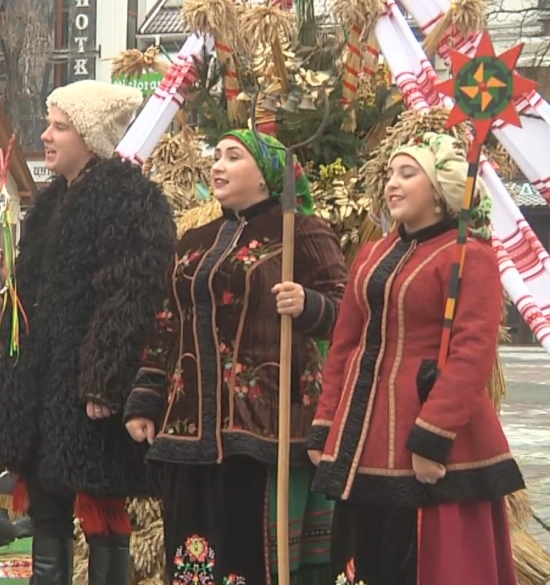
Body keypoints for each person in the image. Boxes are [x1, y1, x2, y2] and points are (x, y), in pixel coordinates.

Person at [0, 79, 175, 585]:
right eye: (49, 124)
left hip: (87, 386)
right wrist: (2, 313)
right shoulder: (48, 205)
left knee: (101, 505)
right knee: (46, 505)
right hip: (40, 385)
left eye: (60, 126)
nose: (47, 135)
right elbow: (36, 296)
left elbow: (131, 297)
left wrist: (105, 380)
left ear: (90, 137)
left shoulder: (131, 201)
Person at [124, 130, 348, 584]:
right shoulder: (195, 240)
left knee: (256, 560)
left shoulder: (301, 230)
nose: (218, 166)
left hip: (267, 427)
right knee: (193, 559)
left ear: (267, 176)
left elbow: (345, 315)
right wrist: (146, 398)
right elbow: (167, 322)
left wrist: (309, 305)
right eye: (216, 156)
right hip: (189, 428)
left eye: (233, 156)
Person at [308, 132, 524, 585]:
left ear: (442, 191)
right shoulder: (370, 256)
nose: (392, 183)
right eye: (390, 173)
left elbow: (473, 353)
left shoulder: (469, 258)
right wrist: (325, 425)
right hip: (359, 443)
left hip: (427, 445)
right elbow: (345, 346)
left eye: (407, 173)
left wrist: (431, 439)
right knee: (359, 565)